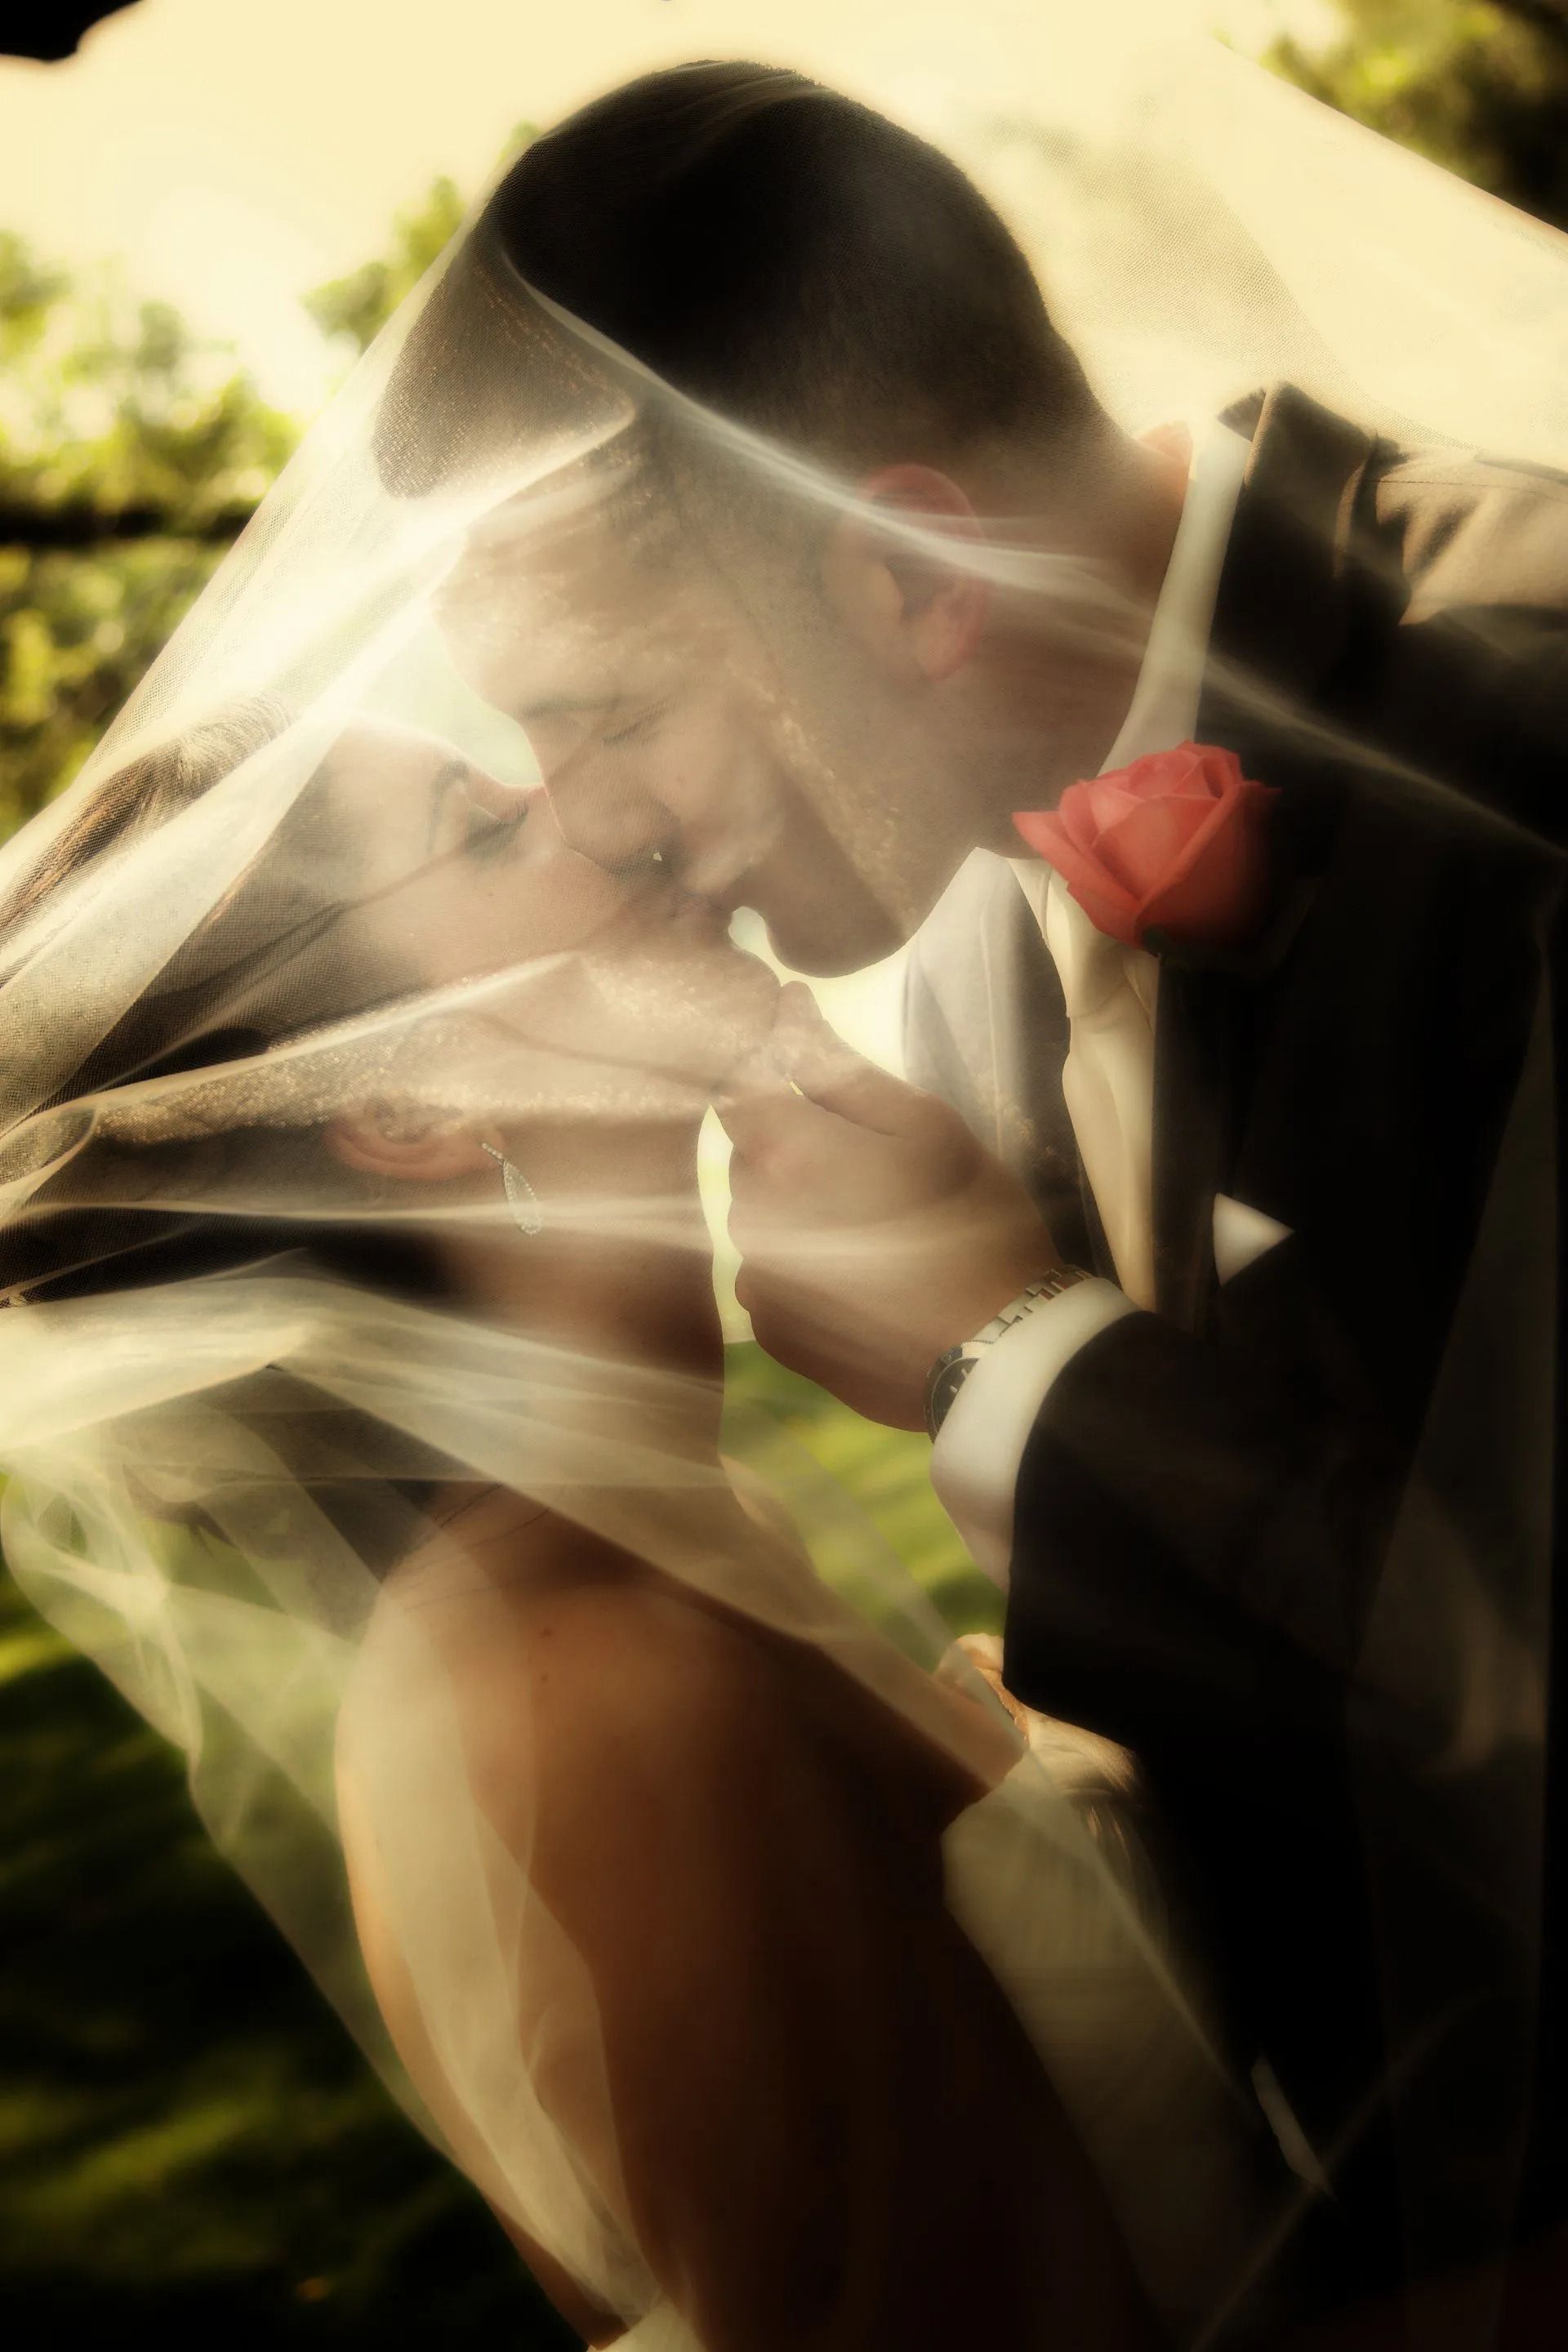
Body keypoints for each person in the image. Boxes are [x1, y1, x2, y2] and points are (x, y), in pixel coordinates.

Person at [406, 57, 1567, 2337]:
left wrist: (1020, 1362)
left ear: (919, 576)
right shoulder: (952, 898)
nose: (592, 824)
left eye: (607, 710)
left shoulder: (1523, 726)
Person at [0, 708, 1285, 2350]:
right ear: (408, 1111)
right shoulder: (582, 1700)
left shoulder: (665, 1530)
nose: (618, 817)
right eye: (485, 831)